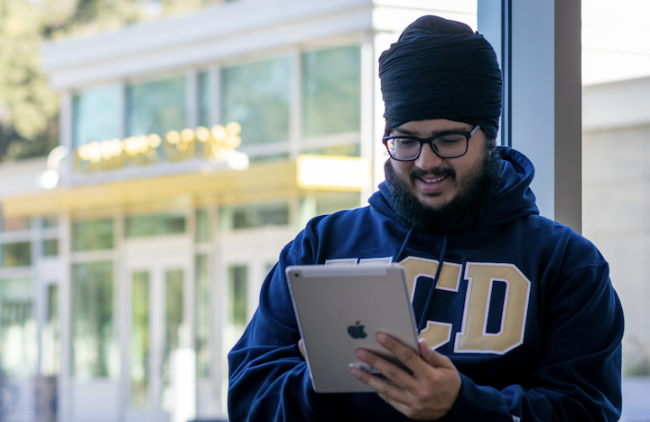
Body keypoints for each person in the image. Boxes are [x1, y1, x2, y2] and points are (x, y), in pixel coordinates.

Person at [228, 15, 624, 421]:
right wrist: (318, 383)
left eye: (448, 140)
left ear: (489, 137)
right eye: (405, 140)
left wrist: (465, 405)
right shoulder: (321, 244)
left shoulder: (565, 262)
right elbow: (247, 399)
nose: (426, 161)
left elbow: (587, 411)